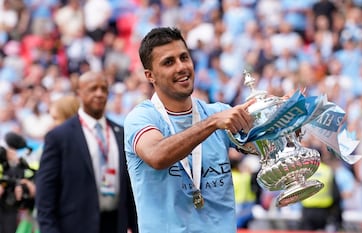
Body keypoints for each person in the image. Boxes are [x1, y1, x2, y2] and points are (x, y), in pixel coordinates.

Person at [124, 27, 254, 233]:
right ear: (150, 75)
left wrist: (283, 121)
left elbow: (261, 146)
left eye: (184, 58)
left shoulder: (218, 112)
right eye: (169, 62)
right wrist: (211, 124)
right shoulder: (141, 118)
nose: (181, 67)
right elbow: (157, 156)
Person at [35, 71, 138, 233]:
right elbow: (45, 195)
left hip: (115, 224)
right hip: (75, 226)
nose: (99, 94)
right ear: (79, 94)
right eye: (93, 88)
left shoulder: (121, 133)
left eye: (104, 89)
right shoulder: (59, 136)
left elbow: (130, 190)